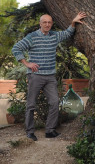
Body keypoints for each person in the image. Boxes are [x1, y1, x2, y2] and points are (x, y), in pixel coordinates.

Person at [11, 11, 87, 141]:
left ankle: (50, 130)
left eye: (49, 22)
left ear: (51, 24)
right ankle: (30, 131)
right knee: (31, 105)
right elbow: (16, 48)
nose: (47, 24)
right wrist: (27, 63)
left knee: (54, 102)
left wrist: (73, 22)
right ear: (40, 24)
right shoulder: (32, 37)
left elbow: (68, 33)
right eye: (44, 22)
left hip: (50, 77)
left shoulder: (54, 36)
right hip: (35, 76)